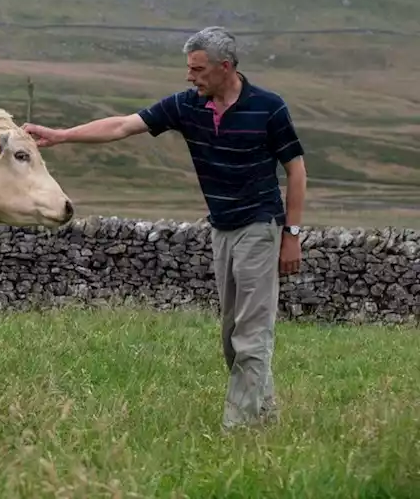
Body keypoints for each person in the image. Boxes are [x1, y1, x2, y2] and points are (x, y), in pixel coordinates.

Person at [22, 25, 306, 431]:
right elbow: (123, 125)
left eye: (198, 69)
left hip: (261, 228)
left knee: (251, 333)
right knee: (232, 337)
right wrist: (62, 135)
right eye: (189, 69)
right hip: (221, 229)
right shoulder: (186, 106)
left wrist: (291, 236)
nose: (190, 77)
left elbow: (296, 170)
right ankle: (266, 416)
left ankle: (238, 431)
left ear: (226, 67)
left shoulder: (269, 107)